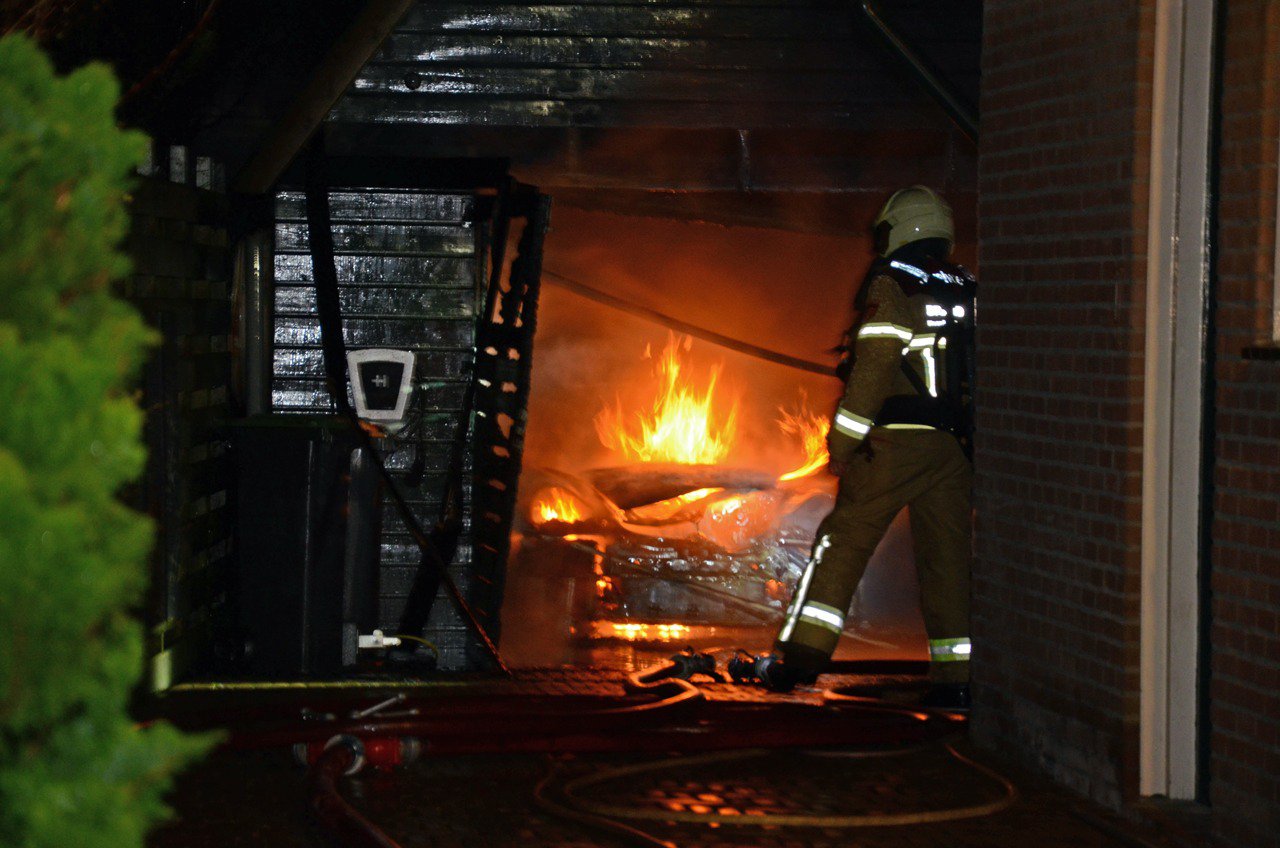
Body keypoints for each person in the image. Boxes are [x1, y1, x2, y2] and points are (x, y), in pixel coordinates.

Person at [744, 186, 976, 709]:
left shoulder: (892, 285)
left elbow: (873, 371)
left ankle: (801, 658)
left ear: (901, 228)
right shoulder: (966, 287)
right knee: (948, 561)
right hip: (955, 448)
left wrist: (843, 442)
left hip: (895, 445)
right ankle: (956, 679)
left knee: (841, 544)